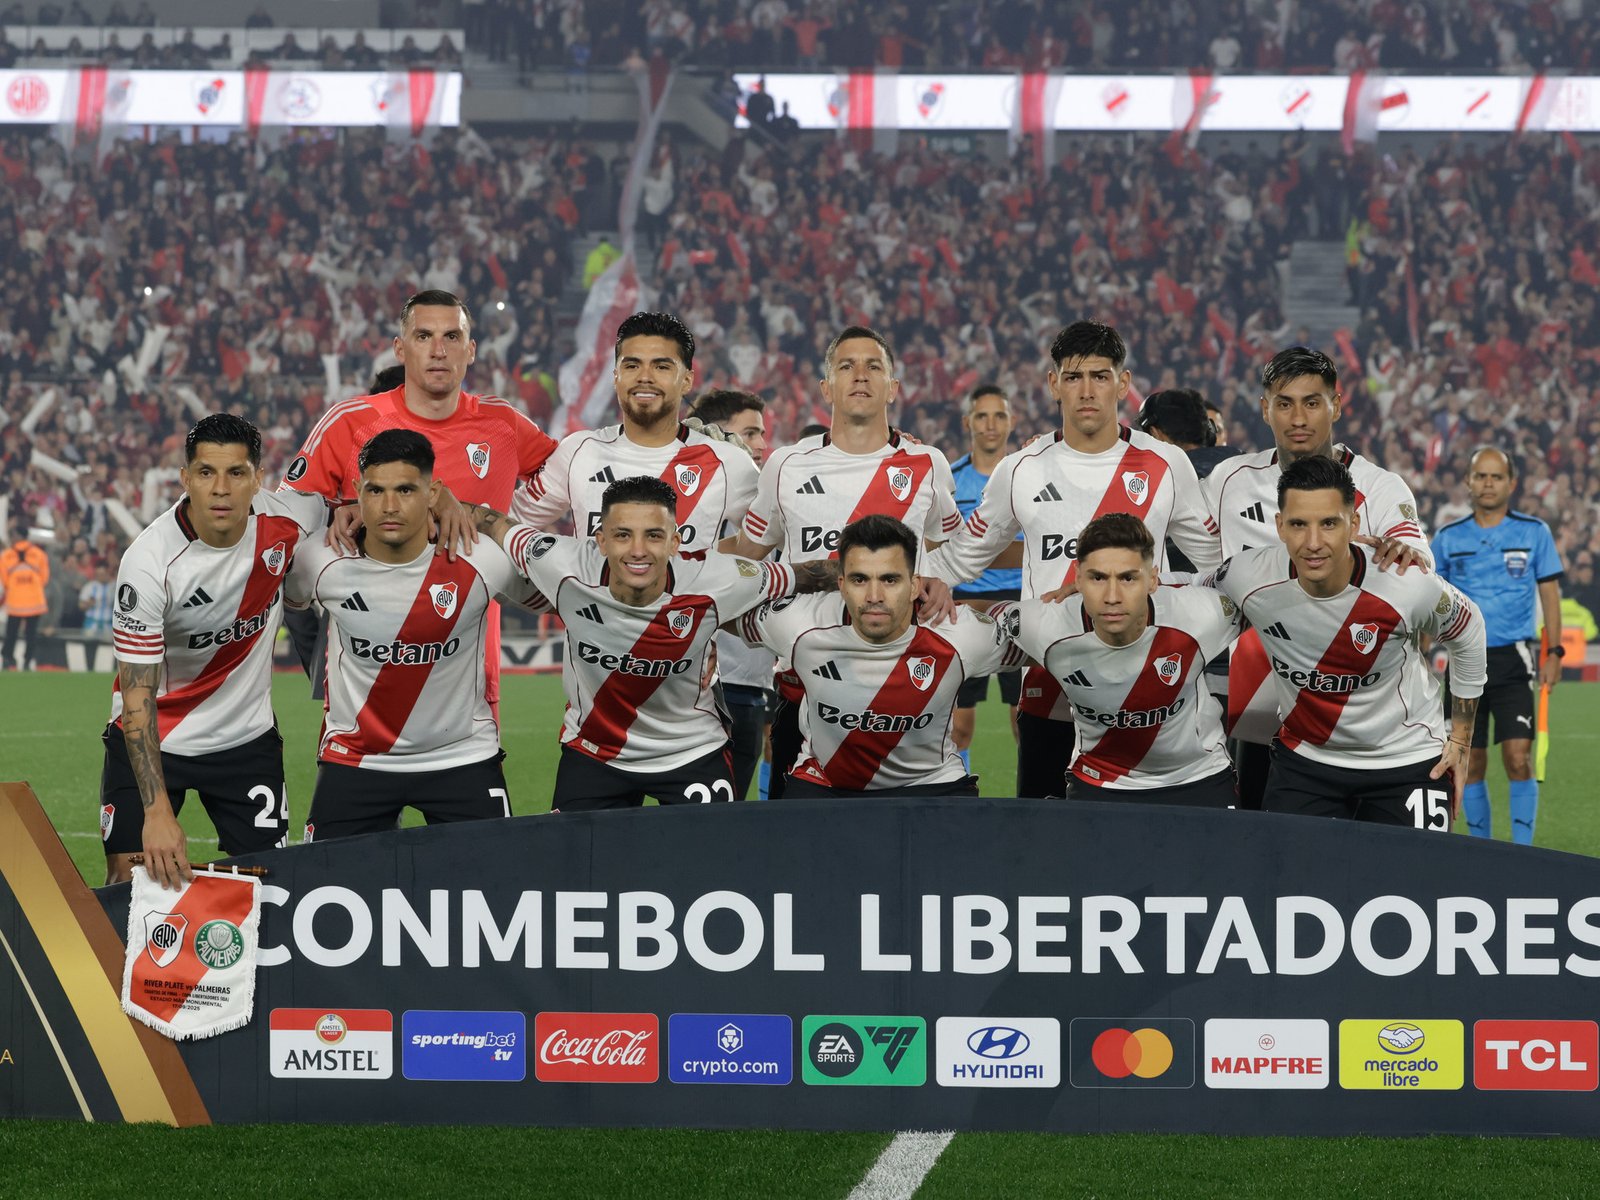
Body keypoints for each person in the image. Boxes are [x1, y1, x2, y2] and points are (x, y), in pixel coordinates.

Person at [925, 321, 1219, 798]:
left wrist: (1157, 590)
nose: (1087, 391)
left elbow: (1215, 564)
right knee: (1045, 835)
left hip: (1146, 689)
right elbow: (962, 557)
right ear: (1053, 383)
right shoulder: (1020, 469)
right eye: (1074, 377)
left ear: (1122, 384)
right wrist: (912, 580)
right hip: (1050, 689)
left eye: (1100, 376)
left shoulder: (1165, 463)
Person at [465, 476, 832, 809]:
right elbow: (493, 522)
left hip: (691, 751)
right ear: (601, 541)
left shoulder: (717, 577)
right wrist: (447, 505)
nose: (638, 550)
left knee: (716, 859)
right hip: (595, 752)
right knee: (576, 861)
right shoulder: (559, 562)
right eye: (623, 535)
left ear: (674, 542)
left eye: (654, 536)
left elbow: (804, 576)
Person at [280, 288, 558, 714]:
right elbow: (285, 521)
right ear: (400, 348)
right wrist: (341, 510)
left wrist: (506, 520)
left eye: (452, 337)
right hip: (367, 670)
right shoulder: (350, 422)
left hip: (470, 672)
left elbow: (572, 475)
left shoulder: (502, 424)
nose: (438, 350)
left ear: (471, 350)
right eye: (424, 336)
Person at [728, 325, 961, 799]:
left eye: (873, 366)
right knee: (800, 838)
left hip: (904, 688)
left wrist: (942, 579)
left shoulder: (927, 463)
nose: (860, 375)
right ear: (826, 387)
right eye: (846, 366)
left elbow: (949, 551)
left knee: (909, 835)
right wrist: (675, 560)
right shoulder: (786, 465)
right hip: (804, 687)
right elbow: (745, 555)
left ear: (892, 388)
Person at [103, 415, 328, 888]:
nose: (221, 489)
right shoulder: (149, 563)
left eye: (236, 473)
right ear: (185, 478)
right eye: (206, 472)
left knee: (273, 885)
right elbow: (136, 699)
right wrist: (156, 813)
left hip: (245, 740)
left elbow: (358, 505)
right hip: (157, 737)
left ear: (258, 478)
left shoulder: (289, 523)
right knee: (127, 879)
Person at [1205, 346, 1433, 810]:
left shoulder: (1380, 487)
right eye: (1284, 403)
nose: (1298, 418)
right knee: (1268, 849)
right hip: (1257, 713)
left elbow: (1418, 578)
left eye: (1312, 402)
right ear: (1265, 408)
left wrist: (1402, 557)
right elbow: (1189, 559)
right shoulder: (1229, 480)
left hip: (1359, 725)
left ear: (1337, 405)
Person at [286, 430, 541, 842]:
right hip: (358, 760)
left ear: (433, 492)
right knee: (327, 877)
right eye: (376, 491)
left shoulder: (480, 559)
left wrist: (481, 516)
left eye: (405, 490)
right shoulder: (320, 560)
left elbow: (565, 598)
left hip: (461, 757)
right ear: (357, 492)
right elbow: (285, 601)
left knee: (495, 876)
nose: (389, 506)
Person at [1204, 456, 1486, 828]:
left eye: (1329, 523)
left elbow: (1469, 629)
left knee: (1420, 869)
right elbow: (1189, 606)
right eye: (1299, 524)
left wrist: (1461, 741)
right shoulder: (1246, 577)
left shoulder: (1404, 582)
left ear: (1353, 524)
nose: (1313, 543)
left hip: (1407, 762)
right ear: (1280, 526)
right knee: (1285, 867)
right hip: (1306, 763)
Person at [739, 515, 1022, 799]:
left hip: (932, 785)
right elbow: (720, 609)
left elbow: (1040, 642)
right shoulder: (799, 624)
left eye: (890, 579)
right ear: (841, 585)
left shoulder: (957, 633)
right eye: (860, 579)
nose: (874, 595)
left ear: (915, 586)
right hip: (826, 785)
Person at [989, 513, 1240, 805]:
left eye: (1128, 578)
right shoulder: (1045, 625)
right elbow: (975, 623)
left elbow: (1260, 596)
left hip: (1199, 778)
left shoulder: (1202, 614)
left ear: (1153, 580)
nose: (1112, 596)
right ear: (1078, 578)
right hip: (1099, 783)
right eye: (1097, 578)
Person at [512, 312, 759, 557]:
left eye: (661, 367)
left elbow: (771, 538)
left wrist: (706, 560)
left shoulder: (727, 461)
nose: (644, 377)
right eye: (632, 366)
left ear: (686, 380)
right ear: (616, 377)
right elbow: (510, 524)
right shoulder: (578, 452)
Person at [1430, 447, 1564, 843]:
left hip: (1513, 660)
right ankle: (1483, 852)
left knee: (1518, 758)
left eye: (1496, 477)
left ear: (1511, 483)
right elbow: (1427, 596)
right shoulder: (1448, 538)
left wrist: (1555, 652)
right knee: (1469, 762)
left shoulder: (1534, 532)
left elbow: (1550, 594)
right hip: (1462, 660)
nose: (1488, 484)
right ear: (1468, 482)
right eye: (1481, 476)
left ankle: (1522, 852)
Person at [689, 389, 772, 799]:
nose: (762, 444)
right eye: (750, 433)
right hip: (717, 687)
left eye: (762, 434)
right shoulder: (702, 507)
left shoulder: (765, 500)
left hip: (754, 684)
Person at [948, 385, 1023, 770]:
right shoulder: (951, 480)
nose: (991, 425)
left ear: (1012, 422)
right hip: (966, 607)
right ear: (968, 422)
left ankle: (1033, 796)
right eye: (982, 416)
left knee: (1024, 722)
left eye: (999, 416)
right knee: (959, 727)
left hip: (1022, 606)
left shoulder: (1026, 476)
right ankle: (957, 794)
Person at [1, 530, 50, 670]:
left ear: (17, 536)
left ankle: (8, 659)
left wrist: (16, 587)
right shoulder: (40, 554)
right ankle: (28, 661)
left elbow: (4, 579)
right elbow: (44, 578)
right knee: (31, 635)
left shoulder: (6, 555)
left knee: (11, 633)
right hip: (35, 602)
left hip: (15, 602)